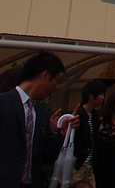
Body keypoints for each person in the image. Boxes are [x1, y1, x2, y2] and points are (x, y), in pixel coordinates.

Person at [0, 50, 76, 188]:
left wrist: (62, 134)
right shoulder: (3, 103)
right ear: (45, 75)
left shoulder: (41, 115)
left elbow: (46, 156)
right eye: (56, 81)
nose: (55, 88)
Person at [70, 80, 108, 187]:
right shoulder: (79, 114)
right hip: (77, 165)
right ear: (91, 96)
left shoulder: (94, 116)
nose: (103, 98)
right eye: (100, 94)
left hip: (89, 165)